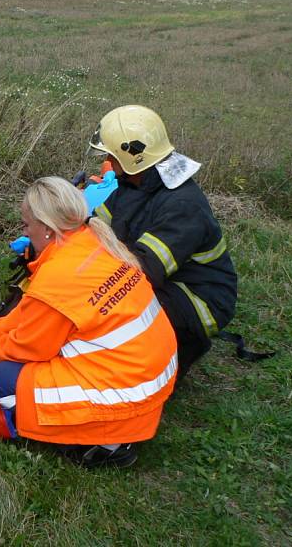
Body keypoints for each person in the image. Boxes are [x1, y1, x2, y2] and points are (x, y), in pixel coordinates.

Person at [0, 177, 178, 468]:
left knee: (1, 377)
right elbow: (21, 317)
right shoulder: (92, 241)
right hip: (146, 378)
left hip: (126, 395)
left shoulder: (59, 276)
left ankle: (105, 442)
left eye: (26, 224)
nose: (24, 231)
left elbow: (27, 348)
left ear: (45, 228)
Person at [88, 105, 237, 384]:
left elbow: (143, 271)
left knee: (117, 303)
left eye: (112, 155)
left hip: (197, 299)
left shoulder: (183, 206)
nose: (107, 160)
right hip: (167, 281)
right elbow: (96, 227)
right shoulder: (134, 184)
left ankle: (179, 348)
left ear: (132, 155)